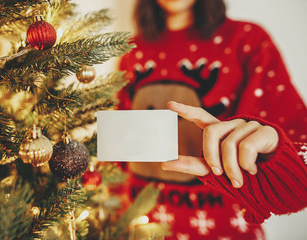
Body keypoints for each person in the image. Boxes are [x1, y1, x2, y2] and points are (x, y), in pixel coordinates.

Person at [116, 0, 307, 239]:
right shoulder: (132, 51)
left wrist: (276, 151)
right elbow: (119, 158)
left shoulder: (247, 41)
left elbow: (299, 183)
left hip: (224, 230)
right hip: (135, 228)